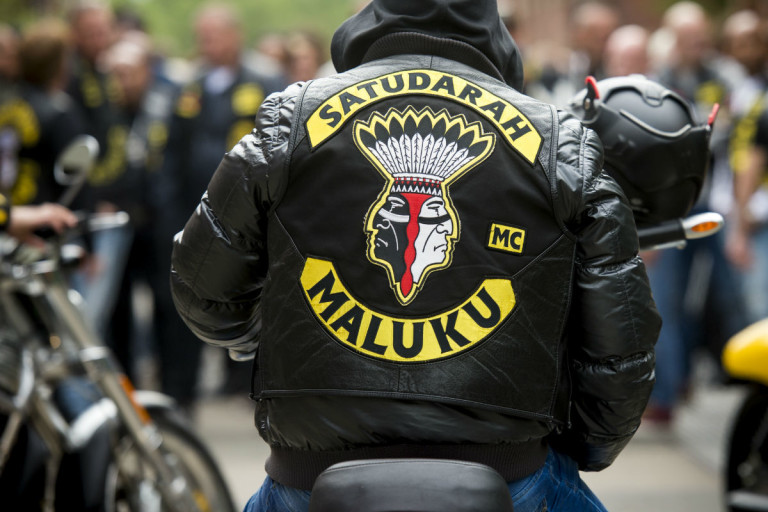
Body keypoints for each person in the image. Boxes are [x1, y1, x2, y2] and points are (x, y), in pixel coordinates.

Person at [170, 1, 661, 511]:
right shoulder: (559, 141)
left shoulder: (293, 118)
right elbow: (620, 353)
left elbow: (202, 292)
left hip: (307, 477)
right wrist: (582, 447)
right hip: (512, 475)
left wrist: (271, 333)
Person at [159, 3, 280, 405]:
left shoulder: (264, 80)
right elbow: (170, 150)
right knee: (188, 297)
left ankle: (251, 388)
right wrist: (169, 207)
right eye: (202, 37)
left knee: (252, 296)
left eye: (214, 35)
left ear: (235, 35)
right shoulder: (189, 86)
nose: (207, 44)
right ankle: (180, 393)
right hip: (193, 210)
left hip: (246, 215)